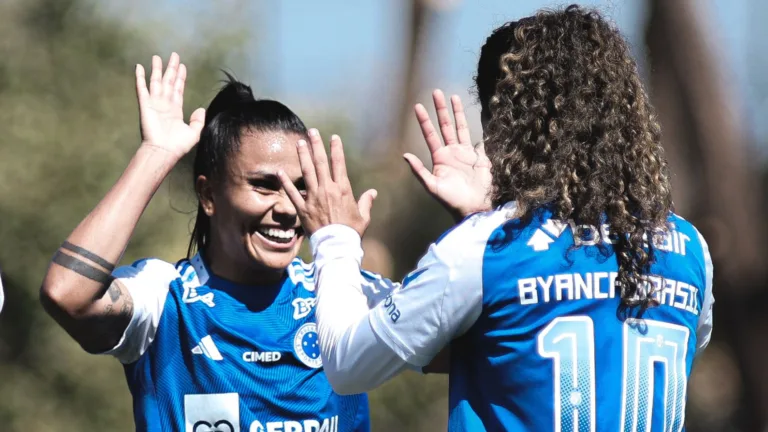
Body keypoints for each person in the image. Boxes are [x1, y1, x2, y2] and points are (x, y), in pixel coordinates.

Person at [278, 5, 714, 431]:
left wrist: (334, 238)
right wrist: (484, 220)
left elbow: (348, 365)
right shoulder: (691, 249)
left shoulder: (485, 250)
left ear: (509, 125)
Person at [39, 53, 393, 431]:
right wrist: (155, 154)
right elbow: (67, 294)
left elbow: (458, 347)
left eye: (301, 187)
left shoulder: (346, 298)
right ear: (207, 196)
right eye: (264, 185)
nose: (289, 208)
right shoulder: (164, 302)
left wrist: (467, 219)